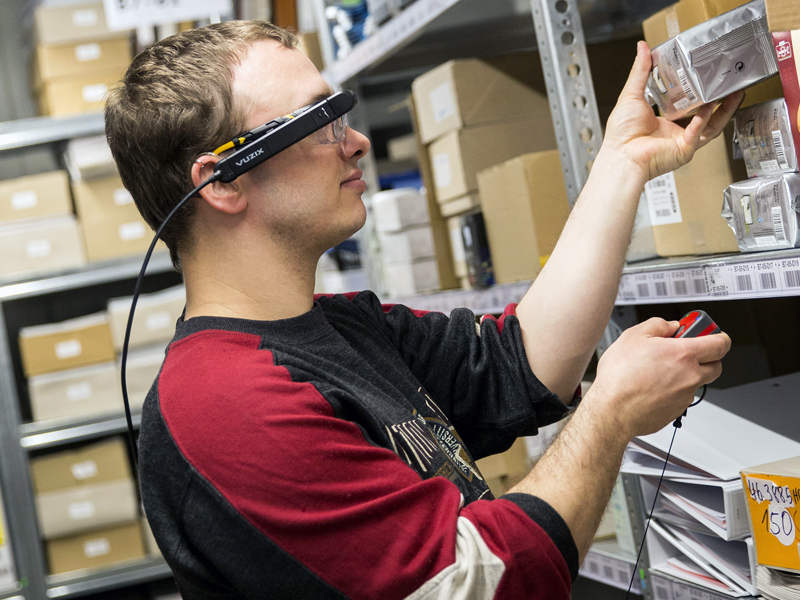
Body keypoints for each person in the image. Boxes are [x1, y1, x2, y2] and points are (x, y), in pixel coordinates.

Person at [105, 20, 736, 600]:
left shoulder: (343, 327)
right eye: (320, 121)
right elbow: (471, 584)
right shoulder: (223, 405)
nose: (355, 142)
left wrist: (622, 164)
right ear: (223, 182)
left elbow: (518, 363)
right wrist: (611, 412)